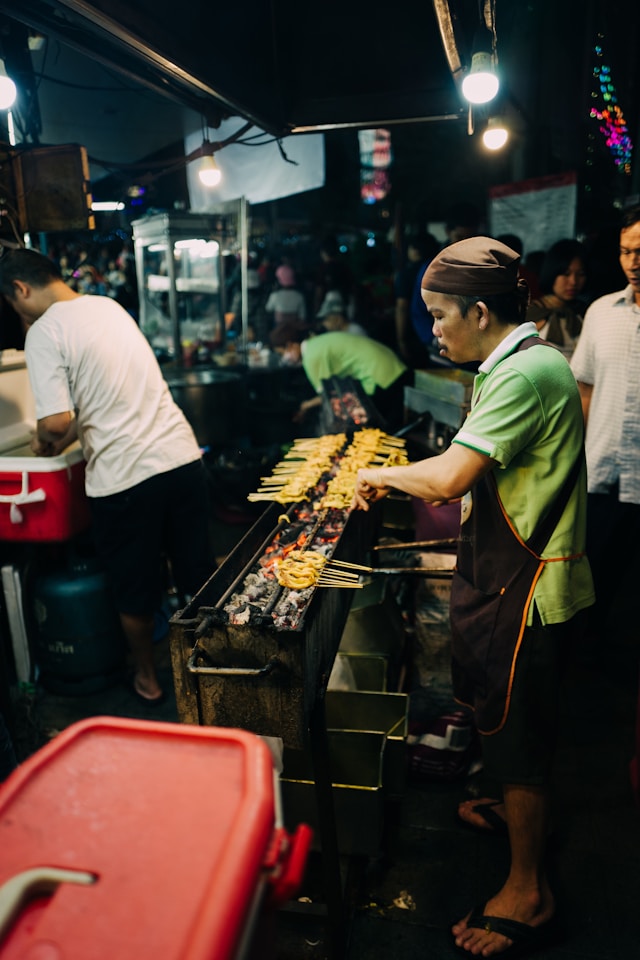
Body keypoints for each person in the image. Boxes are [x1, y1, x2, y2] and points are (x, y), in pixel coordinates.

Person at [351, 237, 594, 957]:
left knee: (520, 737)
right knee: (501, 715)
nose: (433, 331)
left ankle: (527, 888)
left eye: (438, 316)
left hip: (531, 589)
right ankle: (513, 807)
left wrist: (379, 474)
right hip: (507, 574)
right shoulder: (518, 361)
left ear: (480, 311)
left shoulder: (524, 374)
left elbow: (452, 477)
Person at [0, 248, 216, 706]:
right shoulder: (108, 307)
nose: (18, 314)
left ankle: (148, 679)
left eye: (13, 304)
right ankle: (214, 668)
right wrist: (64, 433)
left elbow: (57, 421)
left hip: (126, 478)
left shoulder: (44, 332)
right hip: (180, 458)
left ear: (20, 289)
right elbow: (101, 398)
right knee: (196, 571)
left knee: (134, 586)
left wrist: (45, 440)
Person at [570, 206, 640, 644]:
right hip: (604, 478)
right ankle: (591, 658)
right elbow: (586, 390)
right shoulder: (601, 312)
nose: (633, 261)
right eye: (625, 251)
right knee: (596, 582)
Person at [269, 320, 409, 433]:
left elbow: (327, 395)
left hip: (380, 376)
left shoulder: (311, 357)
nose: (284, 358)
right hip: (390, 366)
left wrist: (306, 405)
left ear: (290, 345)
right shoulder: (315, 344)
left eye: (282, 353)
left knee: (384, 432)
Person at [526, 239, 588, 358]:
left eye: (580, 274)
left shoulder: (585, 312)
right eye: (566, 273)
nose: (573, 282)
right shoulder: (532, 313)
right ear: (552, 272)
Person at [393, 233, 440, 365]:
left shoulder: (406, 274)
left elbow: (402, 307)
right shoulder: (438, 269)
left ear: (415, 250)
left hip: (415, 333)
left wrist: (401, 340)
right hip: (437, 333)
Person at [264, 264, 307, 328]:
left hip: (278, 328)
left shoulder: (275, 295)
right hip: (294, 328)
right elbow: (302, 316)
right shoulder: (299, 296)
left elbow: (268, 309)